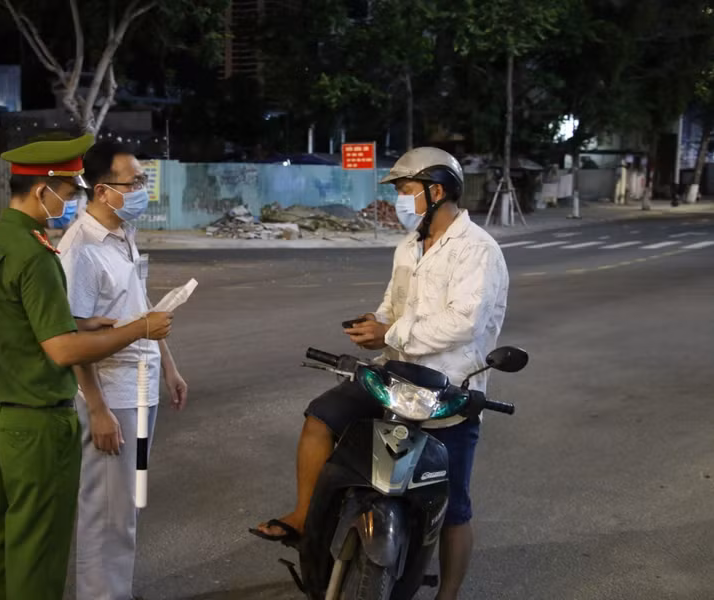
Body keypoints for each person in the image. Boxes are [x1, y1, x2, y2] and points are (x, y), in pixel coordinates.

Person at [251, 147, 509, 600]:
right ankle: (304, 514)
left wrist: (393, 330)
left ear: (438, 190)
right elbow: (393, 304)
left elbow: (462, 323)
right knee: (320, 419)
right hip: (395, 377)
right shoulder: (409, 246)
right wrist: (374, 325)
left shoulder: (477, 250)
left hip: (448, 390)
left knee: (453, 509)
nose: (400, 200)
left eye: (407, 190)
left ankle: (447, 594)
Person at [0, 133, 174, 600]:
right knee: (40, 545)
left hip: (0, 412)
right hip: (39, 419)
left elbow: (19, 325)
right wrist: (135, 331)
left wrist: (95, 325)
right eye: (70, 192)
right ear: (42, 191)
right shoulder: (37, 255)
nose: (71, 200)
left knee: (0, 534)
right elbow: (62, 349)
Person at [57, 141, 189, 600]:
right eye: (132, 182)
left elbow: (140, 308)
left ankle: (117, 591)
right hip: (111, 393)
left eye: (142, 180)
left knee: (127, 506)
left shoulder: (122, 234)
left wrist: (169, 366)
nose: (141, 189)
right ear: (102, 190)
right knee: (106, 509)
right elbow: (71, 334)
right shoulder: (81, 248)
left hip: (141, 385)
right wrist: (96, 408)